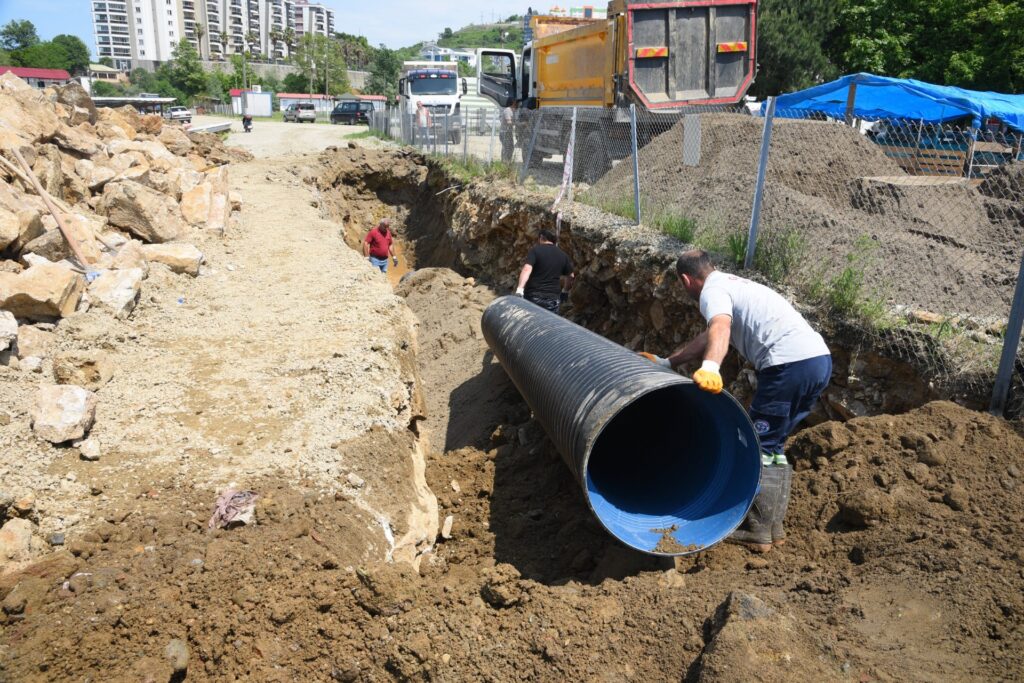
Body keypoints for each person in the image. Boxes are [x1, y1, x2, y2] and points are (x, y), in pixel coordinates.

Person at [641, 249, 831, 552]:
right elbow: (709, 336)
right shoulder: (734, 285)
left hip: (787, 365)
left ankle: (757, 529)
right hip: (817, 362)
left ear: (687, 279)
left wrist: (711, 367)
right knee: (773, 445)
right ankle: (772, 528)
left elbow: (720, 328)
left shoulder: (712, 292)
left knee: (756, 443)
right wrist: (669, 363)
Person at [515, 230, 574, 314]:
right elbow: (571, 276)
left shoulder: (535, 250)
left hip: (533, 295)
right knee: (547, 324)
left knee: (529, 322)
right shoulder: (563, 255)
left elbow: (527, 269)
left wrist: (520, 289)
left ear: (541, 237)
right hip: (552, 298)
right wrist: (565, 291)